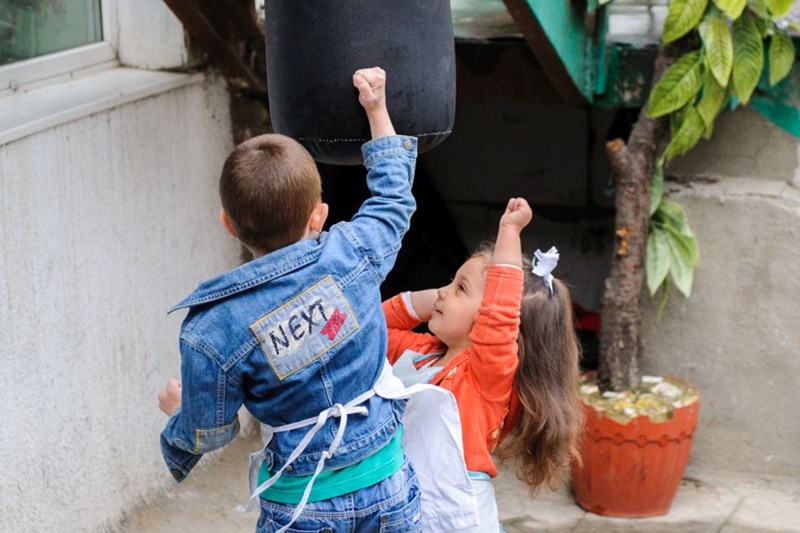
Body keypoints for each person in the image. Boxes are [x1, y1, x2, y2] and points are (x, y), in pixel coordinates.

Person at [157, 67, 423, 533]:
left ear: (229, 224)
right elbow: (393, 197)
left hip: (303, 507)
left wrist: (178, 414)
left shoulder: (212, 329)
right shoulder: (354, 252)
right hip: (389, 486)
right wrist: (376, 108)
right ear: (319, 216)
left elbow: (209, 430)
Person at [382, 198, 584, 532]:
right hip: (409, 511)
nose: (444, 292)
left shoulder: (485, 377)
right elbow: (375, 330)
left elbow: (499, 312)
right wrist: (433, 298)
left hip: (456, 517)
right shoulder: (424, 353)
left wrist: (509, 231)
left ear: (487, 319)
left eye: (460, 288)